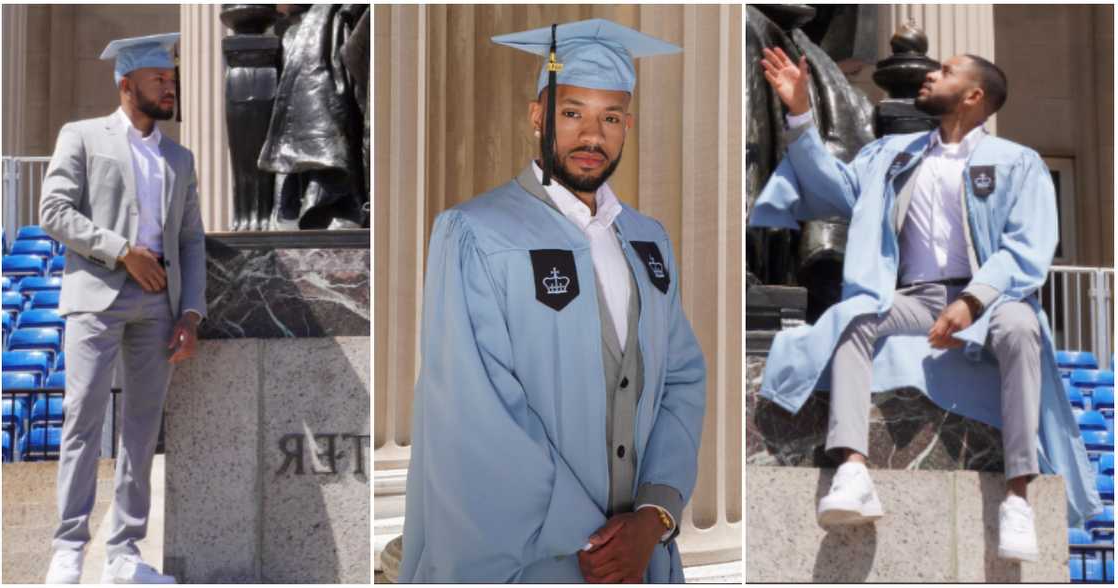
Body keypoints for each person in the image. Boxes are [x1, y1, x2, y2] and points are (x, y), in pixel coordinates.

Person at [751, 47, 1101, 562]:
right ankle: (852, 468)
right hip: (914, 297)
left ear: (974, 95)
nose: (931, 75)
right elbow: (832, 188)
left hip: (992, 297)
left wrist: (973, 301)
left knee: (1022, 330)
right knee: (855, 317)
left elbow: (1026, 249)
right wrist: (801, 113)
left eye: (945, 72)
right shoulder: (893, 154)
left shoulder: (1017, 162)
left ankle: (1017, 496)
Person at [398, 18, 707, 582]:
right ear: (536, 117)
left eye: (610, 118)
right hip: (534, 563)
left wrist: (653, 515)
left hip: (642, 560)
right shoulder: (476, 233)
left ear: (627, 126)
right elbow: (473, 413)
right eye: (573, 113)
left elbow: (681, 381)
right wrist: (593, 540)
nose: (592, 136)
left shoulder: (647, 241)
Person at [39, 32, 206, 584]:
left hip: (161, 303)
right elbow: (54, 211)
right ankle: (68, 548)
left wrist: (191, 314)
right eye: (160, 79)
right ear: (127, 83)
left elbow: (190, 240)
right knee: (82, 419)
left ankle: (125, 556)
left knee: (140, 430)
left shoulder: (179, 157)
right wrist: (120, 252)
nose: (169, 87)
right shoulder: (83, 136)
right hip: (96, 293)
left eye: (172, 79)